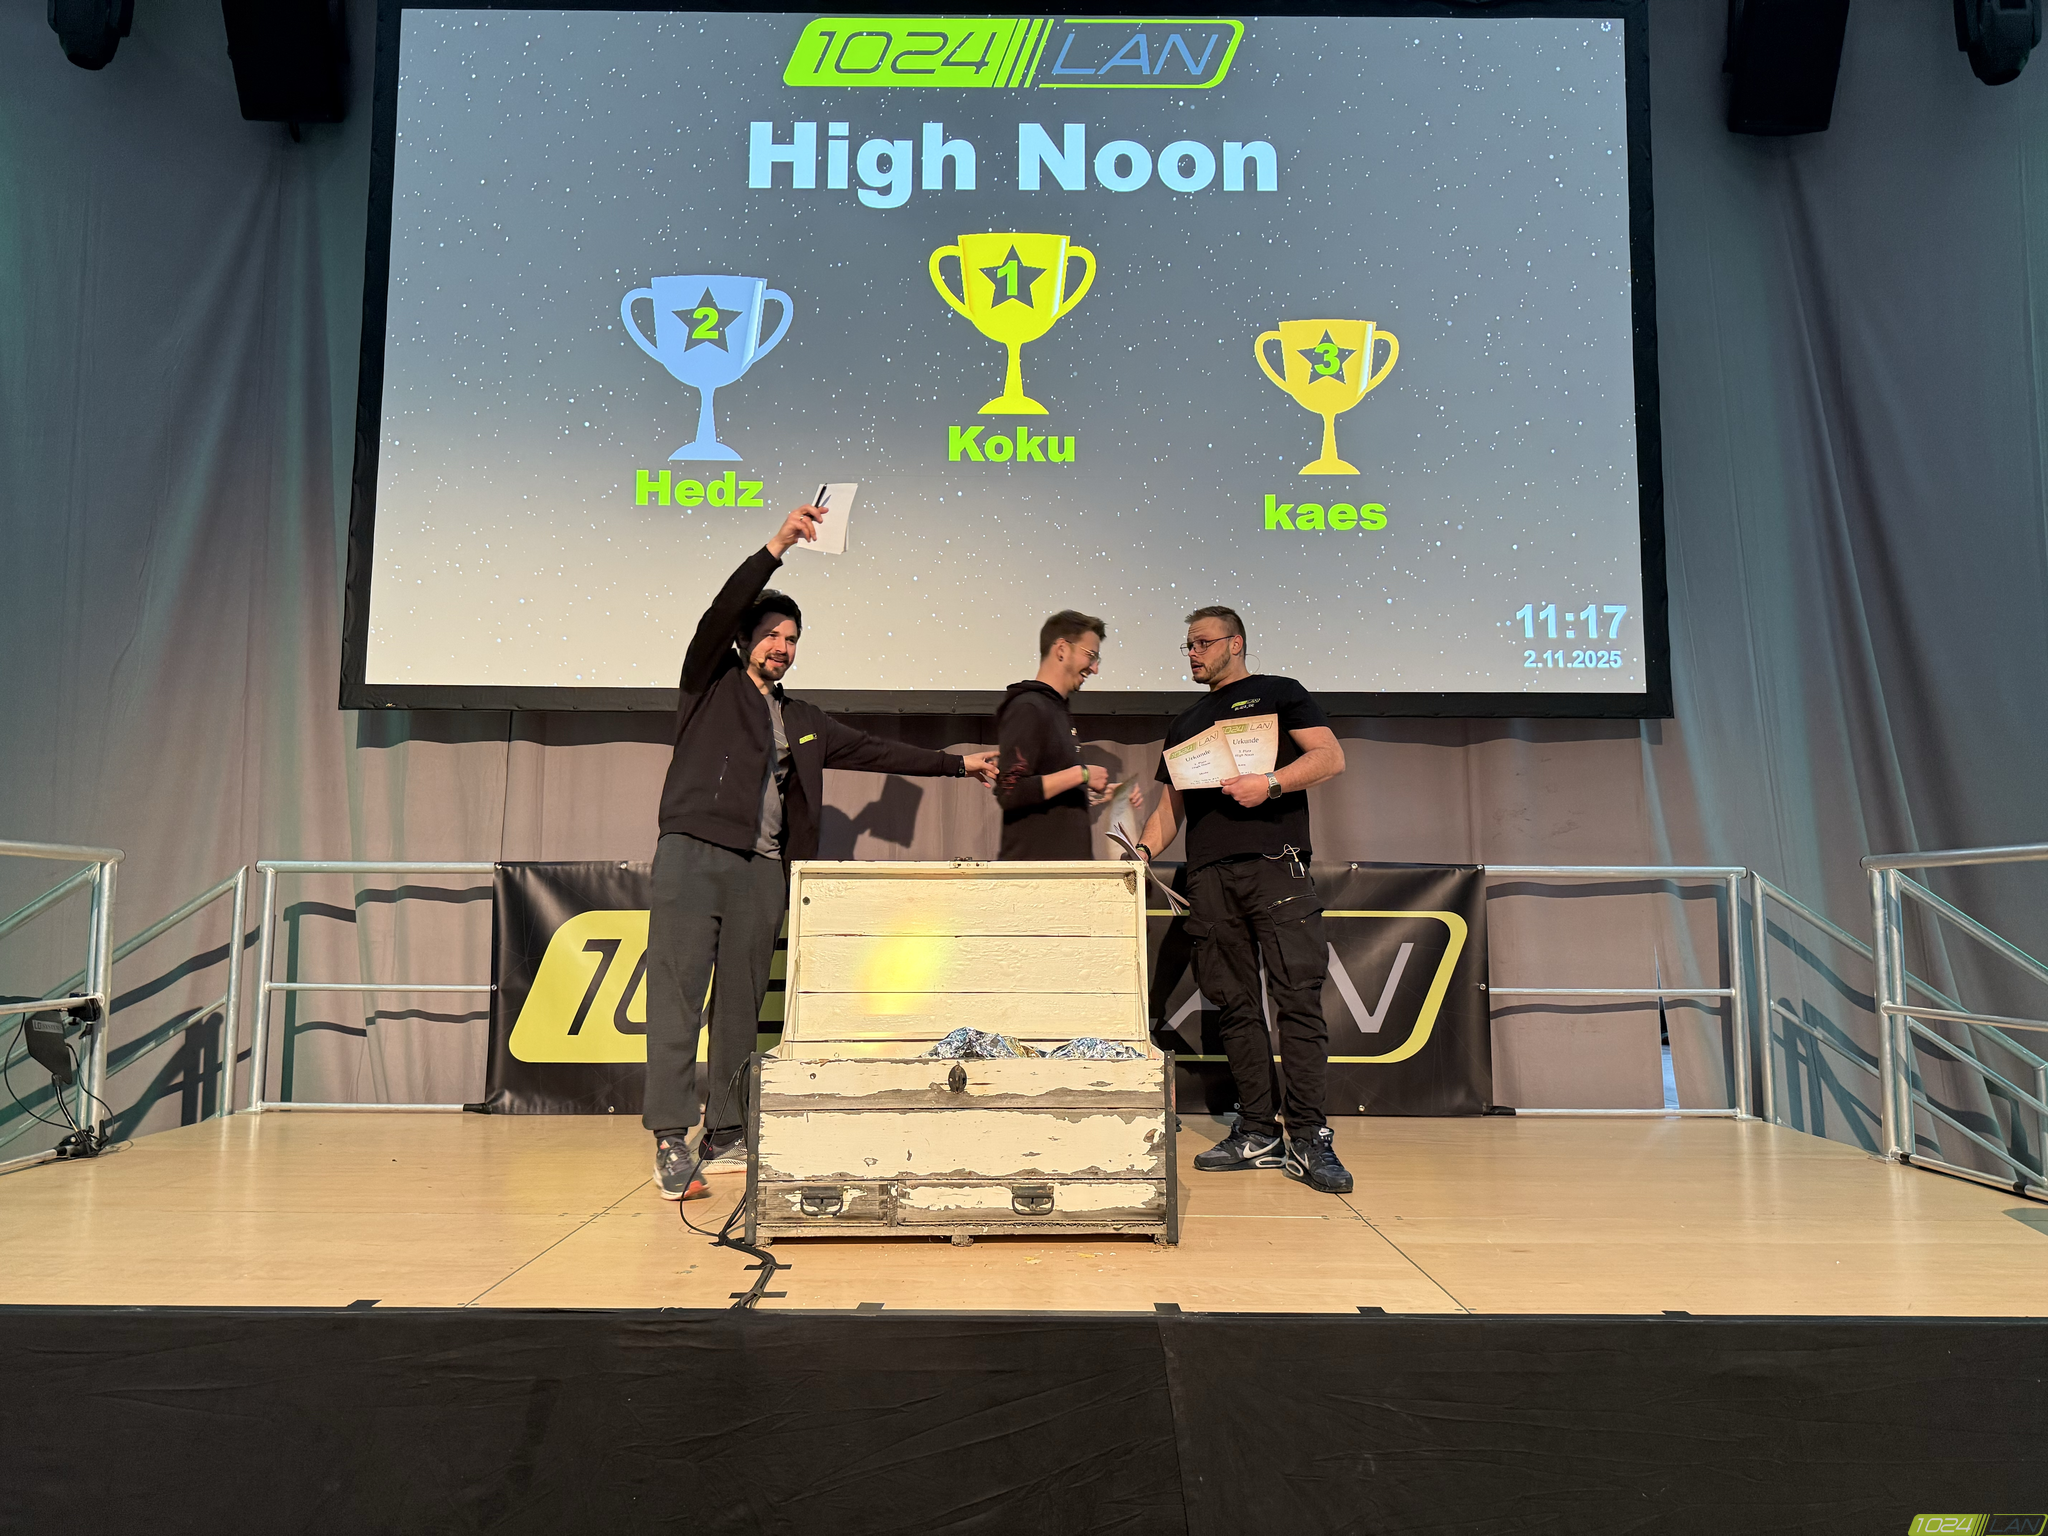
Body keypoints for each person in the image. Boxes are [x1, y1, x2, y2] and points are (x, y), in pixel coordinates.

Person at [646, 505, 998, 1199]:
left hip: (762, 870)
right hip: (693, 855)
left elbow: (876, 751)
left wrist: (958, 765)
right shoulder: (709, 684)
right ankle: (668, 1137)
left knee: (741, 1006)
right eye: (772, 634)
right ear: (743, 639)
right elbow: (721, 609)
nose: (782, 646)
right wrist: (778, 545)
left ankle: (726, 1129)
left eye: (793, 639)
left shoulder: (802, 719)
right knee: (679, 997)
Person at [1129, 605, 1353, 1194]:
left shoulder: (1280, 693)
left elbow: (1329, 757)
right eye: (1188, 645)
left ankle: (1309, 1135)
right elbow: (1170, 808)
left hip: (1275, 867)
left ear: (1236, 643)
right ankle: (1257, 1130)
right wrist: (1142, 852)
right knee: (1234, 1006)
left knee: (1297, 1000)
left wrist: (1271, 783)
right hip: (1207, 879)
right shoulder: (1185, 723)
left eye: (1203, 642)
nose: (1193, 653)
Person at [993, 611, 1139, 860]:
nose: (1095, 669)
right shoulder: (1028, 707)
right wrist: (1082, 774)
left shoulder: (1056, 709)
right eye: (1090, 655)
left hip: (1061, 872)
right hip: (1037, 874)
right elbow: (1011, 791)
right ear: (1061, 649)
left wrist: (1101, 792)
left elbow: (1047, 787)